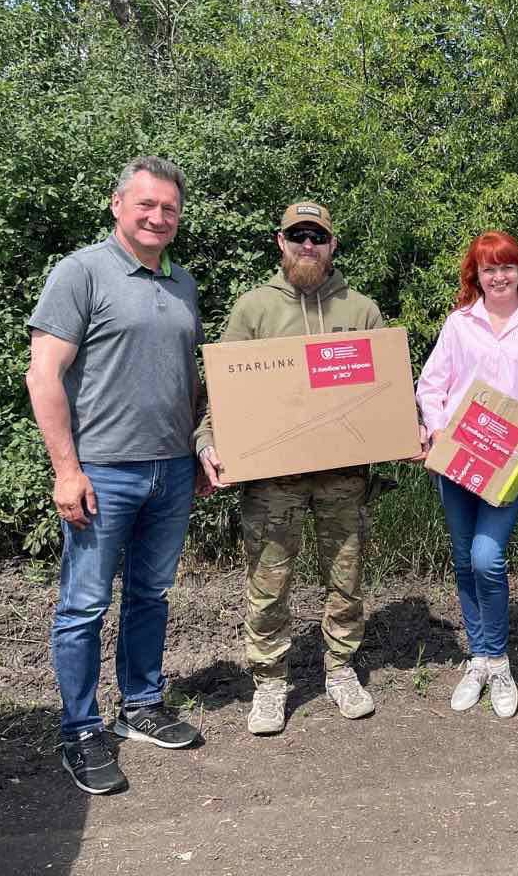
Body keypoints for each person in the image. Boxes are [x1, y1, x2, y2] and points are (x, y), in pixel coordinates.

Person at [26, 156, 203, 795]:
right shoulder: (81, 272)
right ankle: (80, 729)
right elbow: (43, 375)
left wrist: (196, 452)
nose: (158, 217)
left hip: (172, 470)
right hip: (102, 471)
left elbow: (189, 383)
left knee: (151, 595)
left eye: (169, 209)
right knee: (84, 606)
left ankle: (140, 707)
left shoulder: (183, 283)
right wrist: (66, 470)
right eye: (146, 205)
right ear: (117, 204)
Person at [194, 201, 382, 735]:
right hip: (272, 479)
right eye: (297, 235)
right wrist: (208, 441)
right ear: (280, 242)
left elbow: (382, 393)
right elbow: (225, 393)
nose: (307, 245)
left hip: (343, 475)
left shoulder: (360, 309)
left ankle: (341, 671)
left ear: (331, 246)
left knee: (347, 577)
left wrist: (405, 428)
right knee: (268, 581)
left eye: (316, 237)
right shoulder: (253, 308)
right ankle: (271, 681)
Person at [417, 230, 518, 718]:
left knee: (487, 557)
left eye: (506, 267)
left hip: (510, 463)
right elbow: (431, 385)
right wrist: (438, 430)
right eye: (489, 269)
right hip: (459, 459)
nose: (498, 276)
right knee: (464, 560)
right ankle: (479, 658)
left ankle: (499, 658)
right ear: (476, 276)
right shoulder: (459, 325)